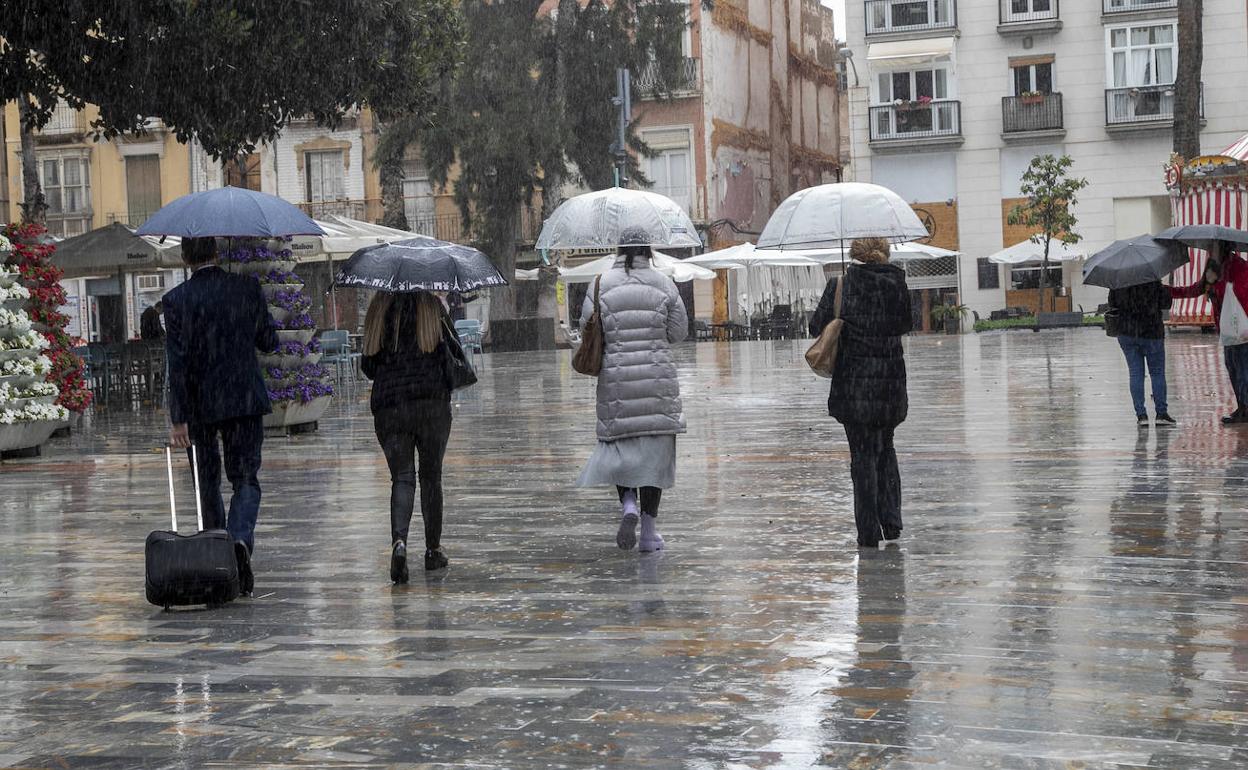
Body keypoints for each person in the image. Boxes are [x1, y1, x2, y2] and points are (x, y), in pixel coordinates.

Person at [163, 237, 279, 596]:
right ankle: (240, 538)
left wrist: (178, 417)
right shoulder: (246, 289)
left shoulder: (176, 301)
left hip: (200, 405)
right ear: (217, 252)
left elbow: (177, 364)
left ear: (185, 258)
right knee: (245, 478)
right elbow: (269, 342)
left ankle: (218, 556)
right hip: (243, 398)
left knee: (207, 481)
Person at [576, 239, 688, 552]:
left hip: (617, 380)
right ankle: (649, 533)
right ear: (647, 251)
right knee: (655, 458)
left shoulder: (600, 284)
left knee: (620, 450)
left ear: (619, 251)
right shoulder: (664, 283)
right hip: (657, 381)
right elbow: (679, 332)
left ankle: (628, 504)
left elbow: (587, 327)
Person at [809, 237, 912, 549]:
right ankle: (891, 522)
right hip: (890, 384)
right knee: (887, 449)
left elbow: (816, 327)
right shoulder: (897, 283)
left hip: (854, 386)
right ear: (884, 254)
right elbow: (905, 323)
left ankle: (868, 532)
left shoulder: (841, 284)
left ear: (854, 254)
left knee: (862, 457)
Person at [361, 290, 456, 581]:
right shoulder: (431, 307)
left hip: (391, 408)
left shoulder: (379, 307)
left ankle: (399, 543)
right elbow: (449, 356)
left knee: (402, 478)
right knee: (431, 477)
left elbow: (368, 367)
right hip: (431, 405)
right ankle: (432, 551)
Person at [1171, 245, 1248, 424]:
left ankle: (1245, 408)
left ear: (1223, 248)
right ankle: (1242, 407)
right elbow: (1197, 289)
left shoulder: (1239, 265)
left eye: (1212, 248)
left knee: (1243, 368)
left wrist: (1218, 286)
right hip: (1228, 329)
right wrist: (1169, 291)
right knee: (1233, 368)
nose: (1209, 251)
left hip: (1242, 327)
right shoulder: (1213, 266)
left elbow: (1241, 293)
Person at [1108, 280, 1176, 427]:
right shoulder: (1151, 278)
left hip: (1127, 332)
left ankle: (1141, 415)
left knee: (1135, 374)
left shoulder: (1119, 279)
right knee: (1157, 373)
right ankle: (1161, 414)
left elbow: (1112, 303)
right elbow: (1166, 303)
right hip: (1152, 332)